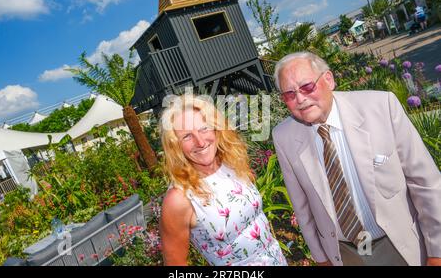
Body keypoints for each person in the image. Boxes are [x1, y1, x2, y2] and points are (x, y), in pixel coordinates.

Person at [272, 51, 441, 266]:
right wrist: (322, 259)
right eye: (289, 94)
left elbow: (425, 183)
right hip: (344, 254)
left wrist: (437, 252)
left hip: (398, 245)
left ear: (329, 79)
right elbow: (302, 208)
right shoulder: (284, 136)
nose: (300, 99)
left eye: (307, 87)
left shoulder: (381, 106)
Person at [159, 94, 287, 266]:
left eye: (204, 128)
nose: (200, 141)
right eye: (187, 136)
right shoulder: (178, 199)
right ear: (176, 146)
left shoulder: (232, 163)